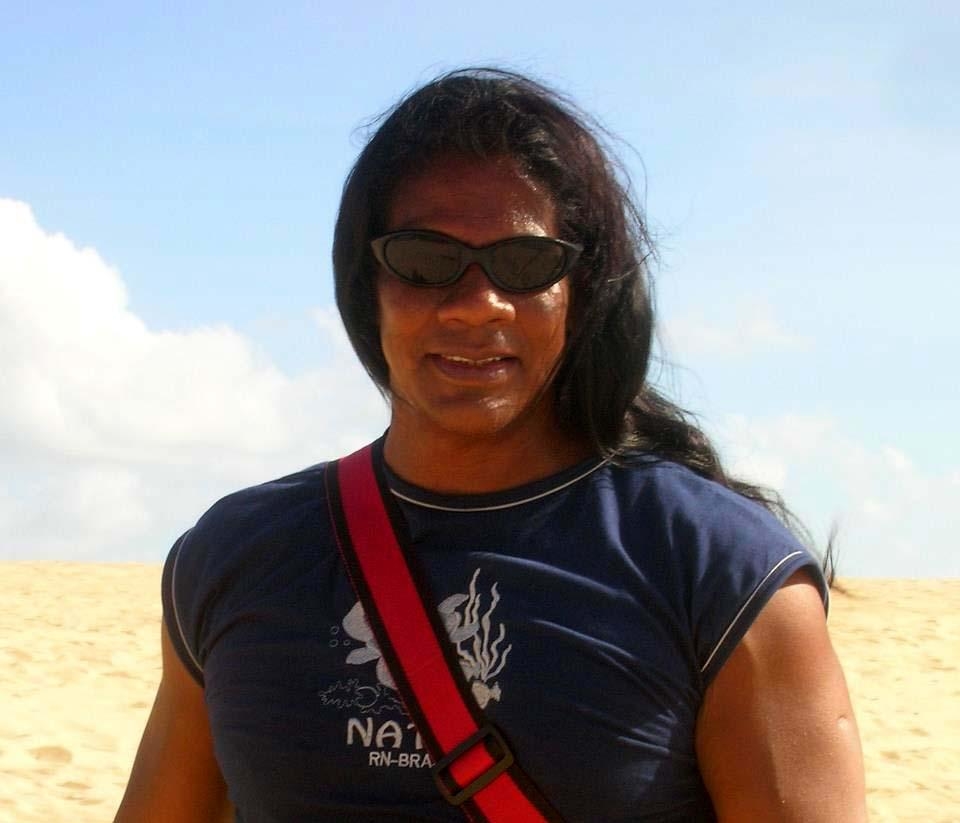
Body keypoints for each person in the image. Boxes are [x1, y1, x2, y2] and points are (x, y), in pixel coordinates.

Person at [115, 68, 866, 822]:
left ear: (581, 292)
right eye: (425, 259)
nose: (479, 305)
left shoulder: (721, 574)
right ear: (366, 283)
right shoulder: (234, 558)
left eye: (526, 263)